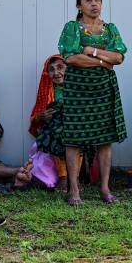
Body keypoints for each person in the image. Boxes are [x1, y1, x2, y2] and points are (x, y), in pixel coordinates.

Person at [57, 0, 127, 205]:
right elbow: (70, 57)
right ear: (79, 5)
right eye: (88, 0)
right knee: (74, 140)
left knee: (105, 140)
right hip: (78, 89)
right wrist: (101, 61)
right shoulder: (72, 28)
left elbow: (118, 57)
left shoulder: (111, 29)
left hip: (104, 89)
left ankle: (105, 189)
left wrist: (91, 50)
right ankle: (74, 190)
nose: (94, 3)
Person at [28, 54, 75, 189]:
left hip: (76, 133)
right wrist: (40, 117)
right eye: (52, 69)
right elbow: (34, 122)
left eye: (60, 67)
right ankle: (64, 177)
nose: (56, 73)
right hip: (52, 140)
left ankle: (74, 178)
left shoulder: (78, 89)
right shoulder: (46, 91)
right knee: (56, 131)